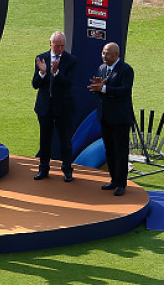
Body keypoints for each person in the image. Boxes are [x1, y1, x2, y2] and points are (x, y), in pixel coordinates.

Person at [88, 42, 135, 196]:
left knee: (120, 151)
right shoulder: (102, 68)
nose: (104, 56)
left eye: (108, 54)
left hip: (120, 118)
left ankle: (121, 183)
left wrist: (103, 88)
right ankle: (114, 179)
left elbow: (124, 91)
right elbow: (102, 91)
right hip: (106, 117)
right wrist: (96, 88)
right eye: (103, 53)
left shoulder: (126, 70)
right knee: (109, 150)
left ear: (117, 55)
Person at [32, 31, 77, 181]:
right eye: (57, 46)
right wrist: (43, 73)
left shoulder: (70, 60)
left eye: (62, 46)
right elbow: (35, 84)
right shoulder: (41, 58)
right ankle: (43, 169)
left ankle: (67, 169)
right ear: (50, 43)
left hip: (63, 108)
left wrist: (56, 73)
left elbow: (68, 84)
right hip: (45, 107)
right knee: (45, 140)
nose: (59, 49)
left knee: (65, 140)